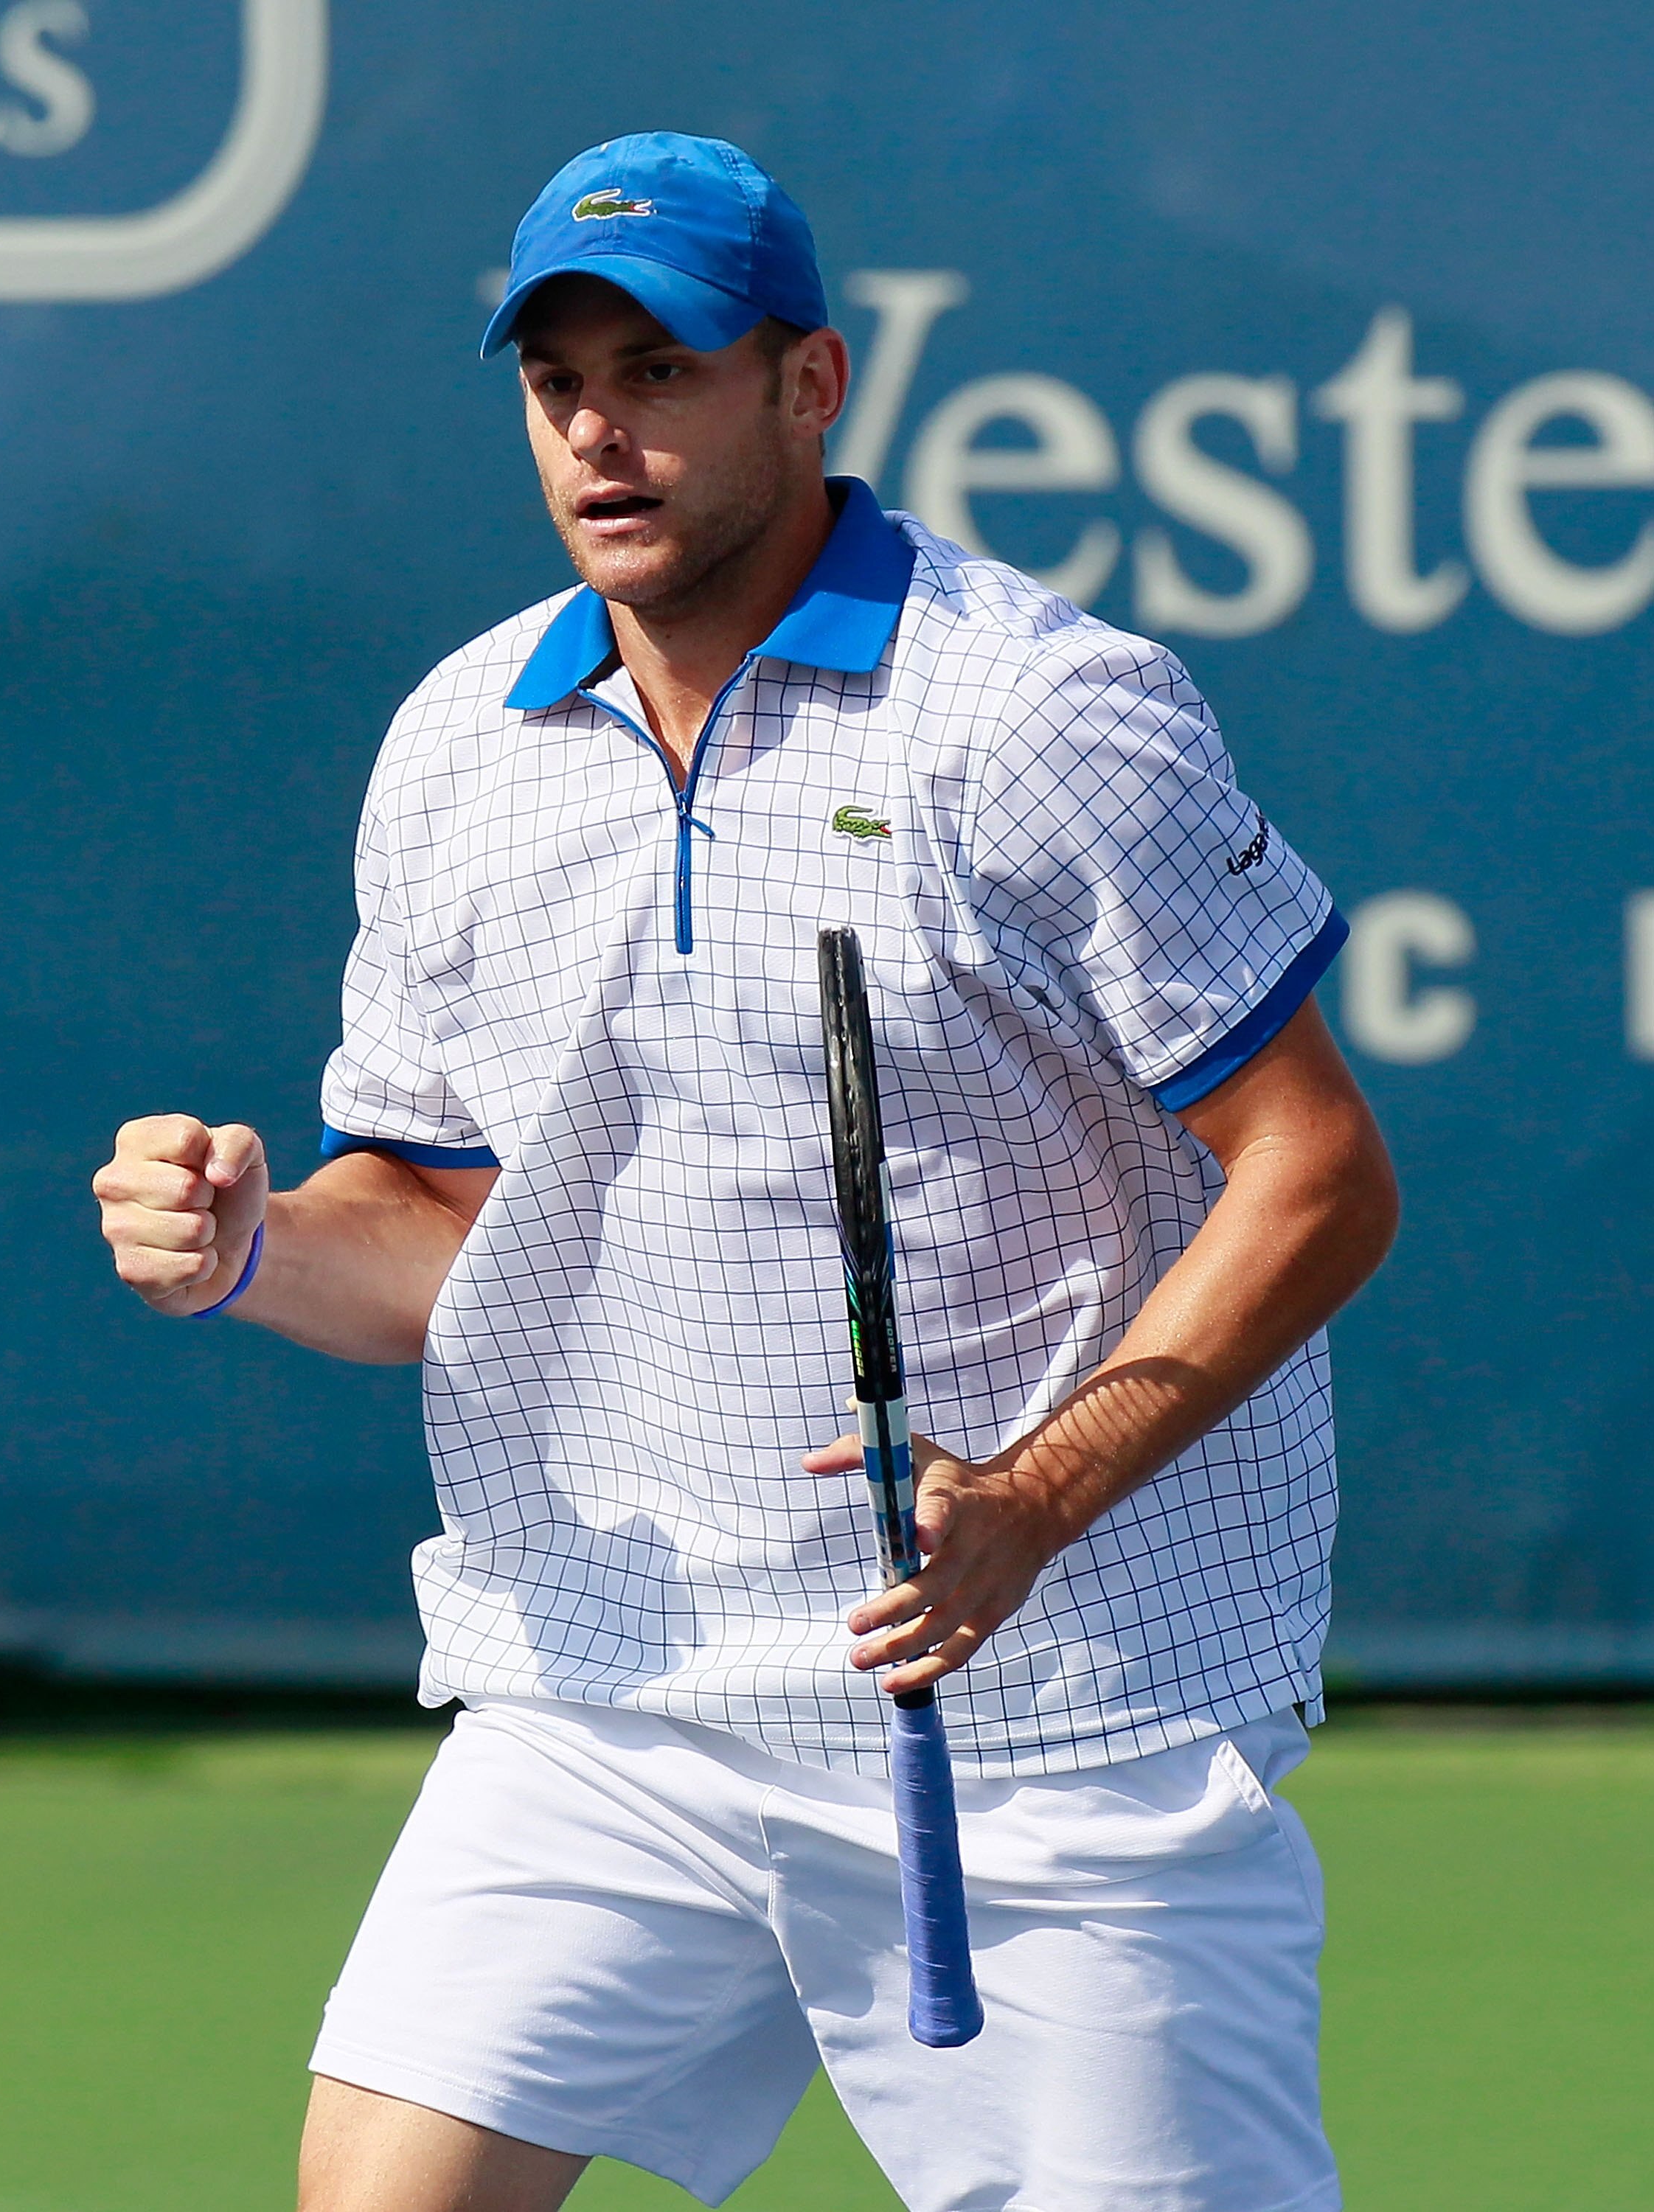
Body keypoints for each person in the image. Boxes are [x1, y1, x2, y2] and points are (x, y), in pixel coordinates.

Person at [93, 132, 1397, 2212]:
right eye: (559, 384)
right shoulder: (458, 745)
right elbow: (435, 1237)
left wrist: (1031, 1505)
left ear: (811, 386)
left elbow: (1319, 1177)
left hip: (1050, 1712)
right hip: (618, 1676)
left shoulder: (1037, 716)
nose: (604, 431)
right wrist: (252, 1253)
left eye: (666, 370)